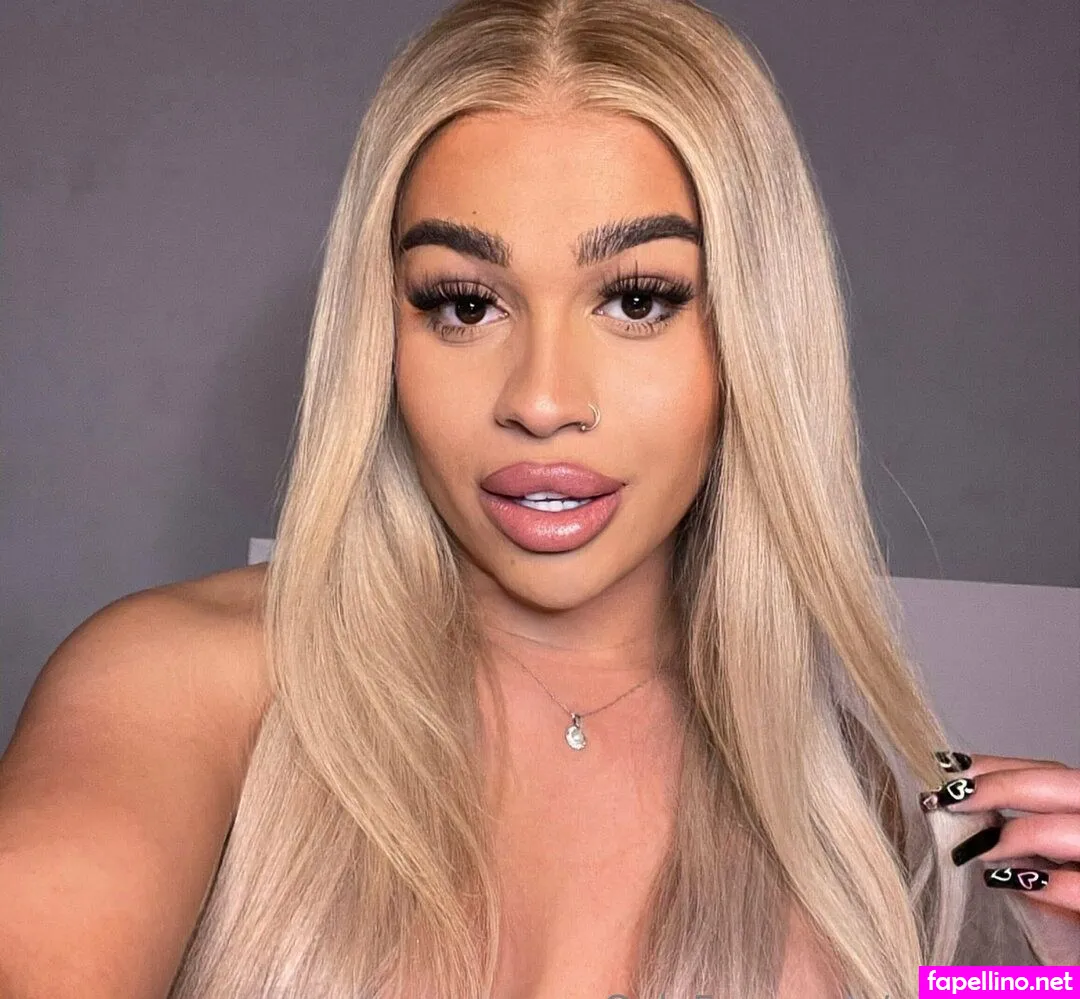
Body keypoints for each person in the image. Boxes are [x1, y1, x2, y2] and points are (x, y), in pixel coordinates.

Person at [1, 0, 1077, 996]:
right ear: (382, 332)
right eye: (466, 305)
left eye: (638, 300)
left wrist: (1047, 970)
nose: (542, 399)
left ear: (755, 332)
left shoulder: (862, 812)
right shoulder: (180, 685)